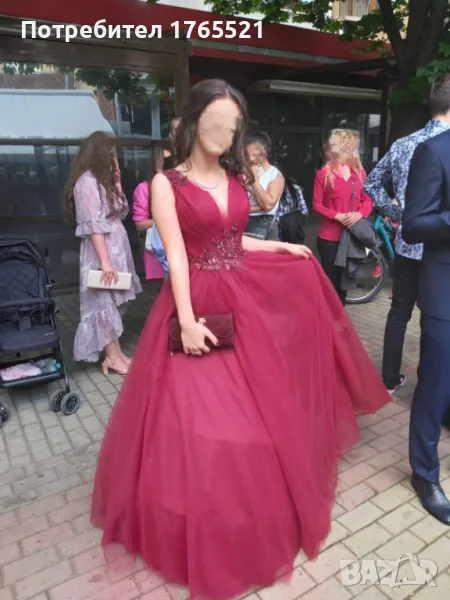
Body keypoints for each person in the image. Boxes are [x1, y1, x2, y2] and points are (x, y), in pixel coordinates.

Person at [91, 79, 391, 600]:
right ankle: (191, 522)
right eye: (217, 123)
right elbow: (177, 254)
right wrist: (186, 320)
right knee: (197, 418)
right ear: (194, 120)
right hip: (196, 302)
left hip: (242, 299)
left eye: (232, 127)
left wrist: (282, 250)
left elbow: (232, 239)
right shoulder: (166, 183)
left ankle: (244, 514)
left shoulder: (233, 176)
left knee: (256, 414)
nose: (225, 134)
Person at [364, 77, 450, 394]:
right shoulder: (444, 147)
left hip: (407, 245)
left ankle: (388, 378)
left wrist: (398, 214)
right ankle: (429, 384)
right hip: (438, 248)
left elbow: (371, 183)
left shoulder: (403, 144)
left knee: (399, 313)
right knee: (434, 317)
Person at [402, 73, 450, 525]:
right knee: (434, 382)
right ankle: (424, 472)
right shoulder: (433, 151)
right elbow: (413, 225)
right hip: (444, 286)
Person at [66, 131, 142, 375]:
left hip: (115, 249)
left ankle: (117, 354)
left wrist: (117, 182)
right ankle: (111, 357)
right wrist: (105, 262)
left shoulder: (103, 181)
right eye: (111, 154)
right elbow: (93, 227)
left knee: (112, 302)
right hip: (101, 252)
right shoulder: (87, 182)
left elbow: (121, 212)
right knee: (103, 302)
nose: (114, 159)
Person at [313, 129, 373, 305]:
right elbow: (316, 205)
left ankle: (340, 316)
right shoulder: (324, 174)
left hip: (351, 238)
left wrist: (359, 214)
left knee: (345, 283)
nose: (330, 145)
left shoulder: (359, 173)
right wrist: (337, 216)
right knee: (330, 284)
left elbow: (368, 200)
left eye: (335, 142)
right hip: (329, 238)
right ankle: (330, 316)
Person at [132, 147, 166, 281]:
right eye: (164, 162)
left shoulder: (181, 185)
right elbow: (140, 224)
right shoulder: (144, 188)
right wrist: (168, 220)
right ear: (155, 165)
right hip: (159, 248)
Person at [244, 133, 285, 240]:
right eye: (248, 155)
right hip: (243, 222)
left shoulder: (274, 175)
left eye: (255, 155)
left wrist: (254, 181)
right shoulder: (243, 171)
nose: (251, 159)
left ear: (264, 153)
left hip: (262, 224)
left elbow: (267, 204)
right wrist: (257, 207)